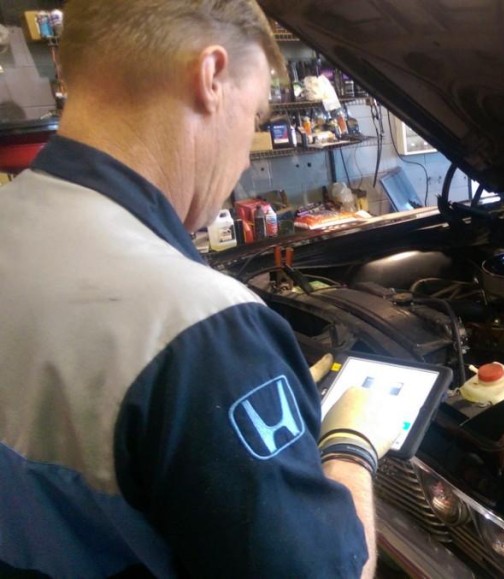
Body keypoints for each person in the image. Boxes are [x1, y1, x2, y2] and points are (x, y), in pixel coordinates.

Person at [0, 1, 403, 576]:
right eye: (256, 115)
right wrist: (350, 445)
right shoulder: (199, 329)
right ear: (211, 78)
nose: (244, 156)